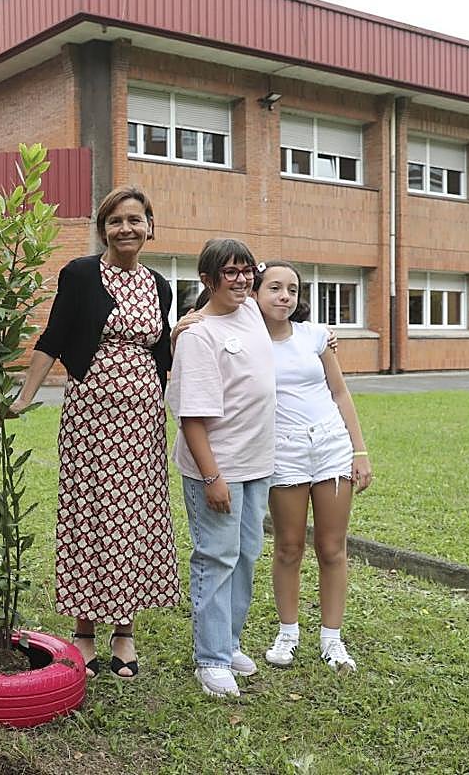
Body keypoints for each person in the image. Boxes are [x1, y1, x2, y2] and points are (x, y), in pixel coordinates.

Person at [8, 186, 178, 679]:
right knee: (90, 514)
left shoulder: (160, 285)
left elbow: (161, 351)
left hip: (143, 418)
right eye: (115, 221)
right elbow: (55, 336)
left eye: (134, 219)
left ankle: (123, 630)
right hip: (91, 416)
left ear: (150, 226)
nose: (125, 228)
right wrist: (24, 397)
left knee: (132, 518)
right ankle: (85, 629)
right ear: (103, 229)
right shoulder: (81, 275)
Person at [166, 238, 276, 698]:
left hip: (257, 463)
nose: (240, 278)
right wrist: (212, 478)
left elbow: (269, 277)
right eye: (227, 272)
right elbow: (191, 416)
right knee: (217, 556)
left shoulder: (250, 310)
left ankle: (228, 644)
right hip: (218, 468)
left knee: (246, 554)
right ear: (207, 280)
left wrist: (322, 337)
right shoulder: (198, 335)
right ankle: (210, 659)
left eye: (245, 270)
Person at [251, 260, 372, 674]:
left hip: (330, 448)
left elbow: (340, 393)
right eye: (274, 288)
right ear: (254, 292)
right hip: (283, 453)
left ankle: (332, 640)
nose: (284, 296)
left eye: (292, 289)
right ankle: (288, 633)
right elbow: (203, 320)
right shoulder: (245, 339)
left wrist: (359, 451)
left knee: (332, 548)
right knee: (288, 547)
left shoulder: (316, 337)